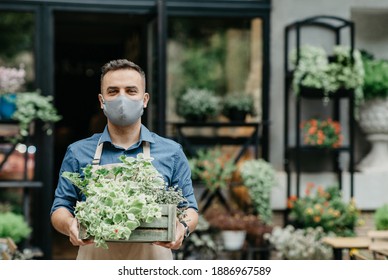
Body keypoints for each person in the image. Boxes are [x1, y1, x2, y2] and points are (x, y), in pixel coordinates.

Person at [50, 59, 198, 260]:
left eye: (131, 91)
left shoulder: (171, 151)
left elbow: (189, 208)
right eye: (113, 91)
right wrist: (70, 226)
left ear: (144, 99)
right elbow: (60, 207)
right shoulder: (78, 152)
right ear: (102, 101)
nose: (122, 98)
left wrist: (182, 228)